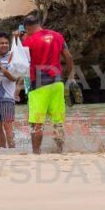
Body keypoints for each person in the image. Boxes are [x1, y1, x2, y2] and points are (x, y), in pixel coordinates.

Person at [22, 14, 75, 154]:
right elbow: (68, 57)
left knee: (37, 123)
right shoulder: (57, 35)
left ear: (27, 27)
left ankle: (36, 153)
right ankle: (60, 151)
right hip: (57, 83)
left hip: (39, 85)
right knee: (57, 122)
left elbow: (20, 63)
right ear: (39, 23)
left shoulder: (28, 40)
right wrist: (71, 77)